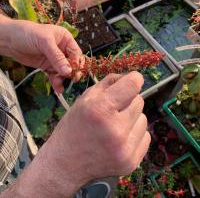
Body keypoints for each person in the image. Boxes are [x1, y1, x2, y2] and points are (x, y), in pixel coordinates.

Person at [0, 13, 150, 198]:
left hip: (12, 136)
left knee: (25, 158)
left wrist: (7, 34)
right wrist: (60, 171)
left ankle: (33, 173)